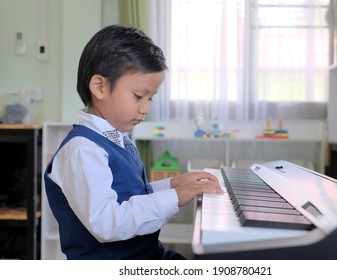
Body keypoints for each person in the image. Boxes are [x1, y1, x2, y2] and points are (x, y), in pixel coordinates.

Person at [44, 24, 223, 260]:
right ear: (99, 87)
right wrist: (175, 197)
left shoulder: (117, 139)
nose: (146, 108)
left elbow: (130, 196)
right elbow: (107, 223)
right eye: (139, 96)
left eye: (150, 98)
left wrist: (174, 184)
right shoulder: (82, 150)